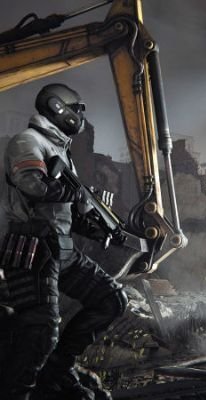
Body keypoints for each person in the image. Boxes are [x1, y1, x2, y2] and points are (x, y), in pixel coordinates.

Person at [0, 83, 128, 400]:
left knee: (111, 300)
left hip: (61, 248)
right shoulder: (28, 141)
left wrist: (93, 227)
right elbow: (32, 184)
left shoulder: (59, 149)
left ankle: (56, 373)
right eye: (76, 108)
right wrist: (71, 192)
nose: (79, 115)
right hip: (32, 248)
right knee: (40, 330)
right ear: (57, 107)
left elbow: (62, 209)